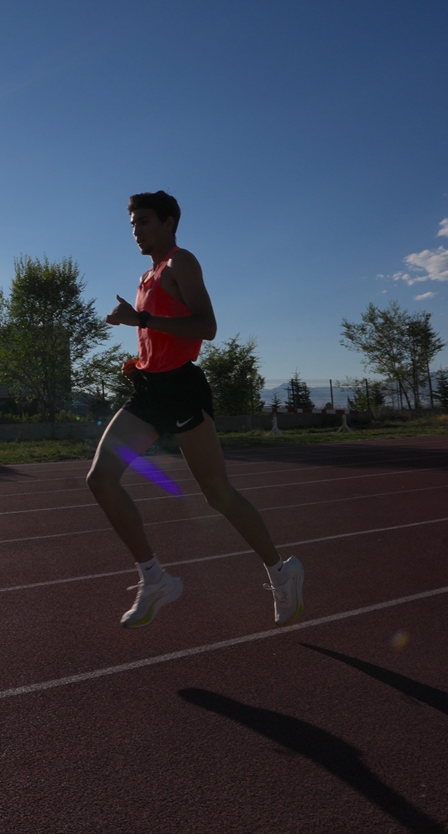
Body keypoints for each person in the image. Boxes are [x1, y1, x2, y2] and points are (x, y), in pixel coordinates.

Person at [86, 191, 303, 628]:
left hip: (182, 391)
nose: (136, 231)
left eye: (143, 221)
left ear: (168, 222)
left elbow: (206, 327)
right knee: (101, 479)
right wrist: (141, 357)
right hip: (149, 391)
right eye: (132, 224)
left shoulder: (182, 263)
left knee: (217, 493)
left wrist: (140, 321)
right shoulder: (146, 277)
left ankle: (282, 573)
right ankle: (154, 578)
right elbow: (161, 338)